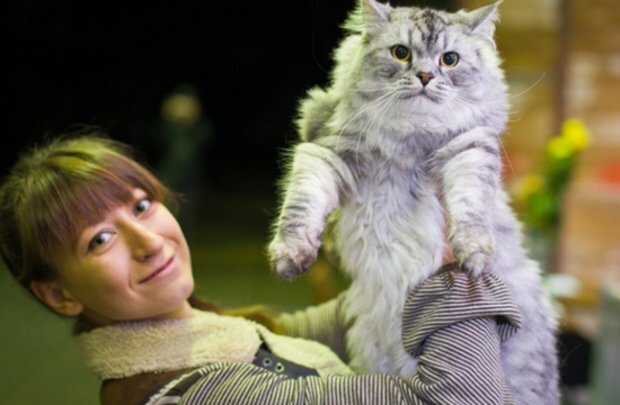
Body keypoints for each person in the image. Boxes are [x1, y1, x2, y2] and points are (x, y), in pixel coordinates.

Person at [0, 129, 522, 404]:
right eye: (100, 240)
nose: (149, 242)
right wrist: (450, 261)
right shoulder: (196, 393)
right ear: (60, 295)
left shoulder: (213, 334)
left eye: (140, 206)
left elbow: (344, 320)